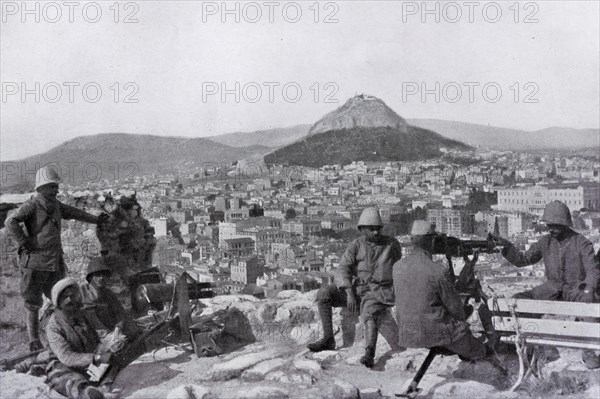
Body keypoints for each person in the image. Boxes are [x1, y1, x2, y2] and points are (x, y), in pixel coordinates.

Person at [5, 166, 108, 351]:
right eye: (52, 186)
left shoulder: (56, 205)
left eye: (56, 186)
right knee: (32, 304)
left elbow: (76, 213)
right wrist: (24, 242)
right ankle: (33, 340)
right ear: (41, 188)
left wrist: (97, 220)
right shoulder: (33, 205)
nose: (56, 189)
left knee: (61, 300)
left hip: (54, 263)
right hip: (35, 264)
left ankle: (64, 336)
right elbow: (10, 221)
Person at [491, 200, 600, 369]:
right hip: (553, 286)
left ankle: (589, 351)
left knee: (588, 306)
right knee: (519, 300)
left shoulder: (582, 243)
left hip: (575, 288)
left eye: (555, 226)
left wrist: (588, 289)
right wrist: (506, 246)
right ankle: (523, 342)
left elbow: (592, 271)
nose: (551, 229)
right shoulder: (545, 242)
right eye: (549, 225)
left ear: (564, 224)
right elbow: (523, 259)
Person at [307, 207, 402, 368]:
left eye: (378, 229)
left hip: (377, 291)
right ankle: (328, 338)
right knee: (324, 293)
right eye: (371, 229)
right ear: (362, 230)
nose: (376, 232)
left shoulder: (391, 244)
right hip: (356, 289)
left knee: (370, 313)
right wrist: (349, 292)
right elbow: (342, 268)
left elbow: (399, 266)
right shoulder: (356, 245)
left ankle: (369, 353)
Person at [393, 220, 488, 360]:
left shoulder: (397, 267)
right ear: (432, 242)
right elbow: (456, 309)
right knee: (479, 350)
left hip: (407, 333)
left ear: (412, 240)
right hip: (436, 334)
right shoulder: (437, 271)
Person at [45, 278, 110, 399]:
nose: (70, 300)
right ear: (58, 302)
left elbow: (102, 334)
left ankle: (101, 386)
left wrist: (111, 341)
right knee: (67, 380)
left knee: (113, 363)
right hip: (64, 366)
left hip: (89, 364)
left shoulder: (85, 315)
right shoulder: (53, 327)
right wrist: (95, 358)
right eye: (64, 297)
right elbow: (67, 357)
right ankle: (86, 394)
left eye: (72, 295)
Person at [80, 257, 140, 340]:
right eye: (97, 275)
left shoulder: (108, 293)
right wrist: (108, 335)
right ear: (91, 277)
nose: (101, 278)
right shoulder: (83, 292)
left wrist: (118, 328)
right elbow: (90, 319)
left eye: (103, 275)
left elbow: (120, 313)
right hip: (94, 336)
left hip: (112, 333)